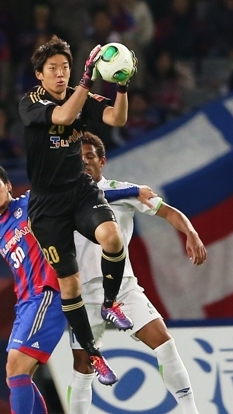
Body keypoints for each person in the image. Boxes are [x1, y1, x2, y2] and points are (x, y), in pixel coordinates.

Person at [18, 35, 136, 385]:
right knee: (70, 286)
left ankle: (110, 303)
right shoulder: (30, 103)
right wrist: (85, 81)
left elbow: (116, 118)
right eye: (53, 68)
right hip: (46, 205)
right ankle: (93, 353)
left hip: (79, 191)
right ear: (39, 75)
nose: (60, 74)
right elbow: (64, 115)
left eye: (65, 67)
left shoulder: (79, 94)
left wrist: (122, 87)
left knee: (112, 237)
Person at [67, 132, 207, 414]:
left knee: (164, 343)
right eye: (78, 158)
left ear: (102, 161)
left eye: (89, 156)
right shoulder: (64, 197)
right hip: (82, 292)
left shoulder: (123, 190)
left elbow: (169, 212)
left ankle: (191, 410)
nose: (84, 162)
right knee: (83, 366)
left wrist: (191, 232)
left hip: (122, 287)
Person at [0, 162, 66, 414]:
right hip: (25, 303)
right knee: (15, 373)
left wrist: (129, 192)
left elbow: (78, 192)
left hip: (47, 294)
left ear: (8, 186)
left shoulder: (31, 202)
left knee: (16, 366)